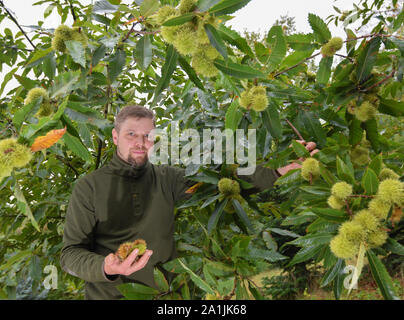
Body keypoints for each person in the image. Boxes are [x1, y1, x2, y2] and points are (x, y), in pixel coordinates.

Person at [60, 105, 318, 300]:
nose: (140, 143)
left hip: (168, 296)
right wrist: (105, 266)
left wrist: (276, 172)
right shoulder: (89, 187)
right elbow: (70, 254)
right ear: (115, 137)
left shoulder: (167, 177)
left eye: (147, 136)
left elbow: (220, 182)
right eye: (131, 134)